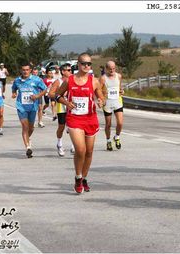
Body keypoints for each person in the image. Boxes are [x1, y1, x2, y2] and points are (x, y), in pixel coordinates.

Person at [54, 53, 105, 194]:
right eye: (84, 63)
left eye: (89, 64)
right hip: (75, 119)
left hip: (90, 119)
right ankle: (78, 177)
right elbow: (57, 95)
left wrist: (101, 101)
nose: (87, 66)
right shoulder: (70, 80)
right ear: (78, 64)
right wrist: (66, 102)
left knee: (89, 152)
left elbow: (101, 96)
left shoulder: (94, 81)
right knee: (80, 150)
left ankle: (84, 178)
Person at [12, 62, 47, 158]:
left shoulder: (36, 80)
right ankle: (28, 147)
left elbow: (45, 89)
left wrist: (37, 96)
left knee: (31, 128)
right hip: (21, 107)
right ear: (21, 70)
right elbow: (14, 89)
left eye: (27, 70)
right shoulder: (17, 81)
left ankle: (28, 138)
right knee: (24, 126)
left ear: (30, 70)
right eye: (23, 70)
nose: (25, 72)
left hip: (32, 107)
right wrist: (14, 93)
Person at [48, 63, 74, 157]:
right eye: (69, 70)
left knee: (73, 126)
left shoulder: (74, 80)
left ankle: (73, 146)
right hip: (61, 106)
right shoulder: (58, 82)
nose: (71, 72)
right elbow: (50, 94)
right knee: (61, 127)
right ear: (63, 72)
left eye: (71, 70)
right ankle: (59, 144)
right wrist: (61, 95)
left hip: (72, 106)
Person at [99, 61, 124, 151]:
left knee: (120, 123)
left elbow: (120, 87)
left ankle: (116, 137)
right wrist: (101, 99)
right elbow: (98, 90)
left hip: (117, 102)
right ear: (106, 69)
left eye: (114, 68)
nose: (112, 70)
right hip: (107, 103)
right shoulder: (103, 78)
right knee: (108, 124)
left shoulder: (119, 76)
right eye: (110, 69)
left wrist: (121, 91)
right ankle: (108, 141)